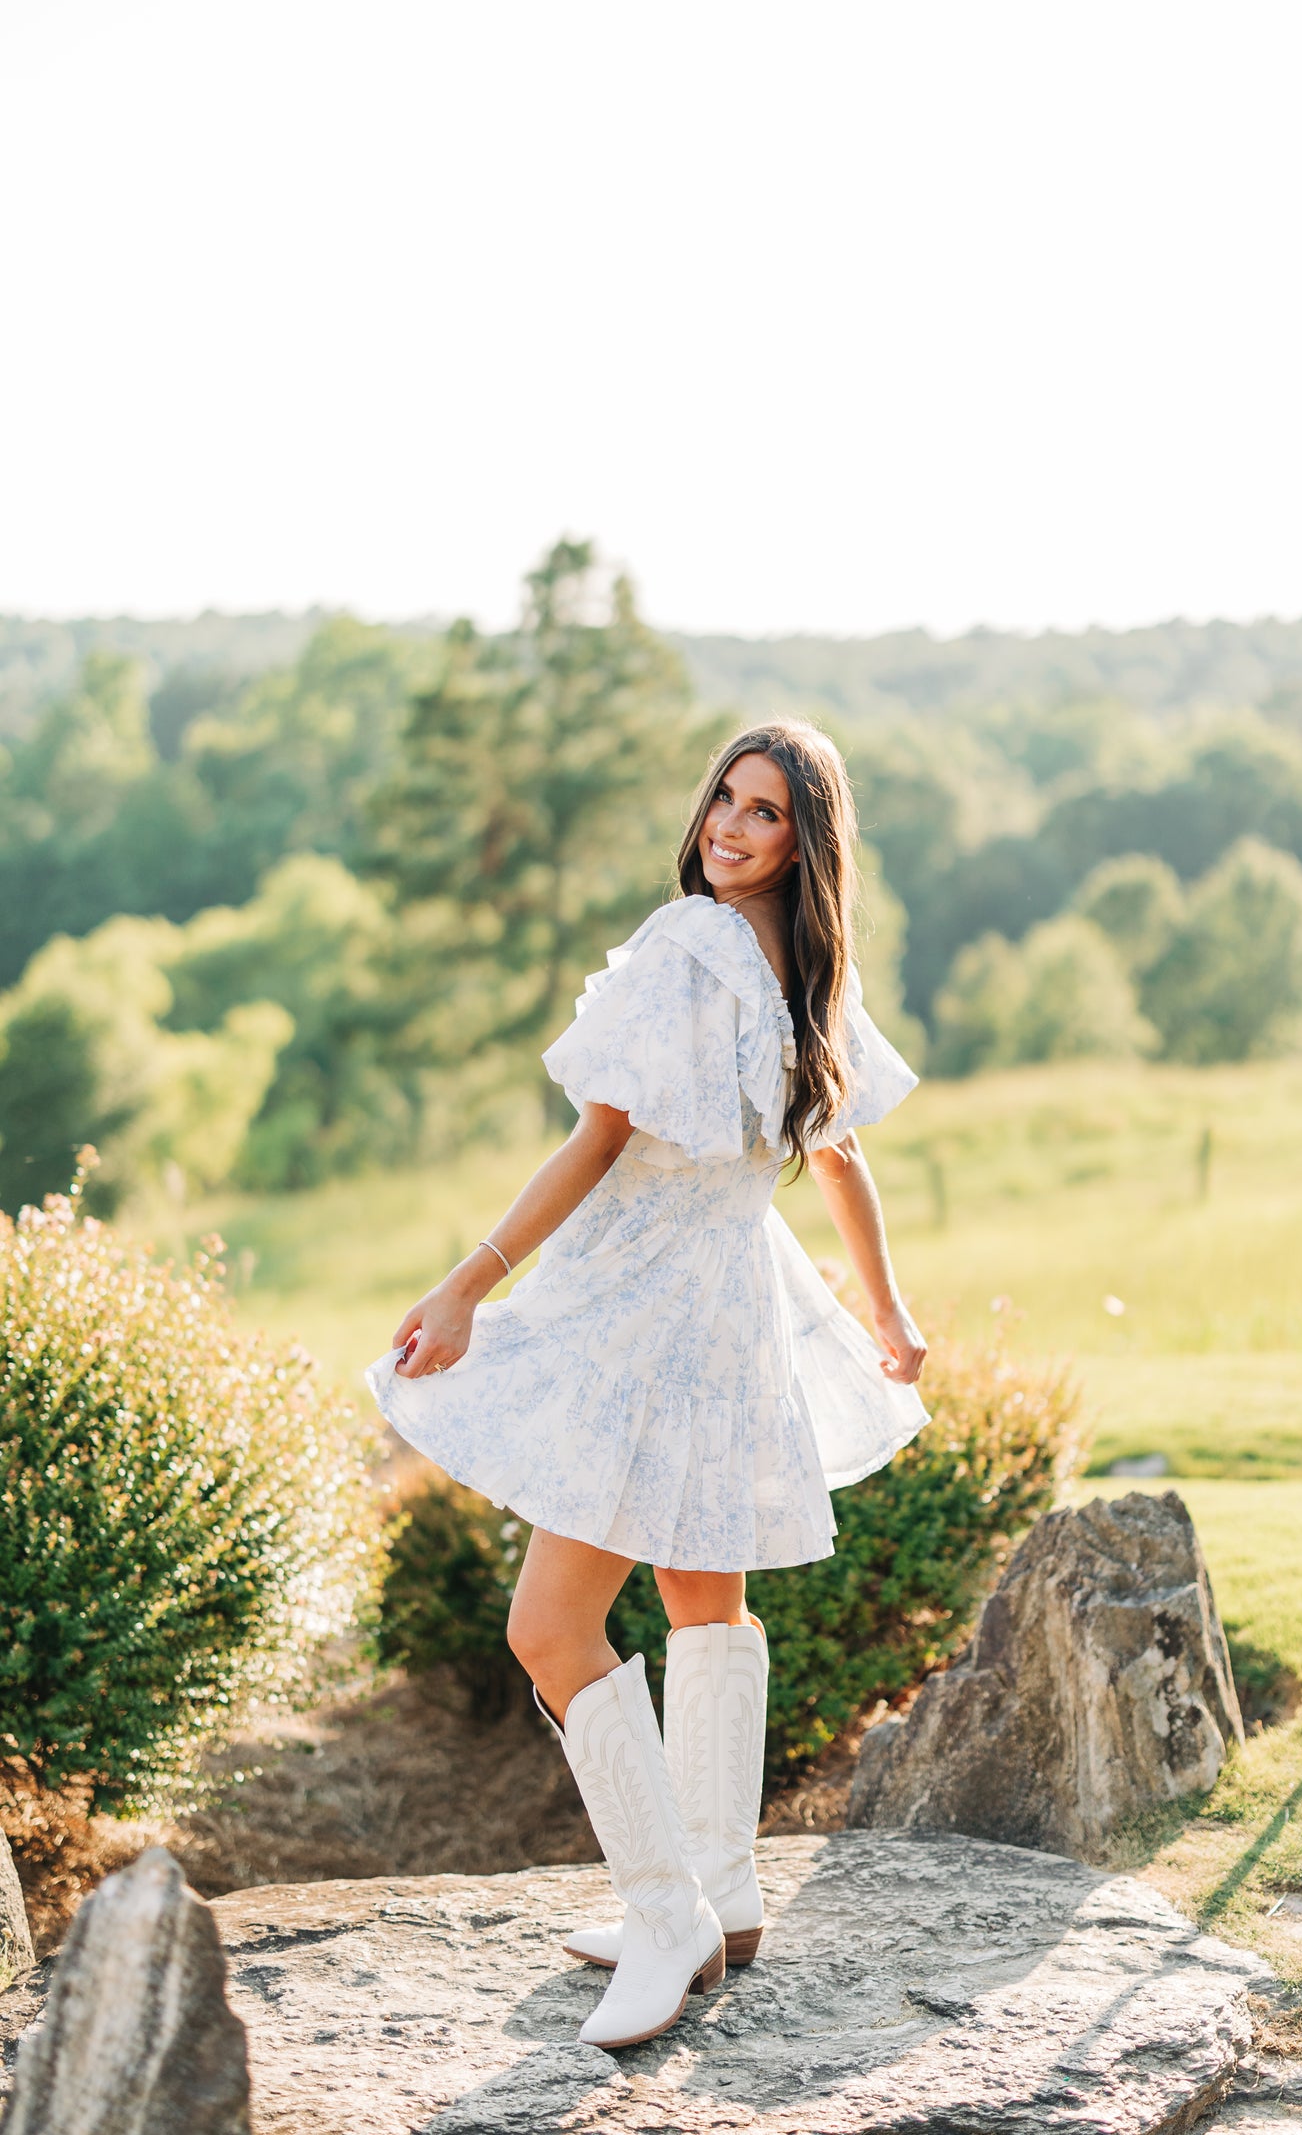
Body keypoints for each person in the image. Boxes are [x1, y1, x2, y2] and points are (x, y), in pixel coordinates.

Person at [367, 718, 927, 2051]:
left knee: (548, 1628)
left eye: (766, 814)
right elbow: (835, 1156)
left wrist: (468, 1283)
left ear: (807, 840)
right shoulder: (806, 964)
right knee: (699, 1594)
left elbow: (597, 1141)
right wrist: (883, 1310)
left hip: (655, 1317)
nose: (731, 828)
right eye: (725, 801)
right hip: (727, 1306)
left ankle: (670, 1912)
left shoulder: (690, 948)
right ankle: (721, 1896)